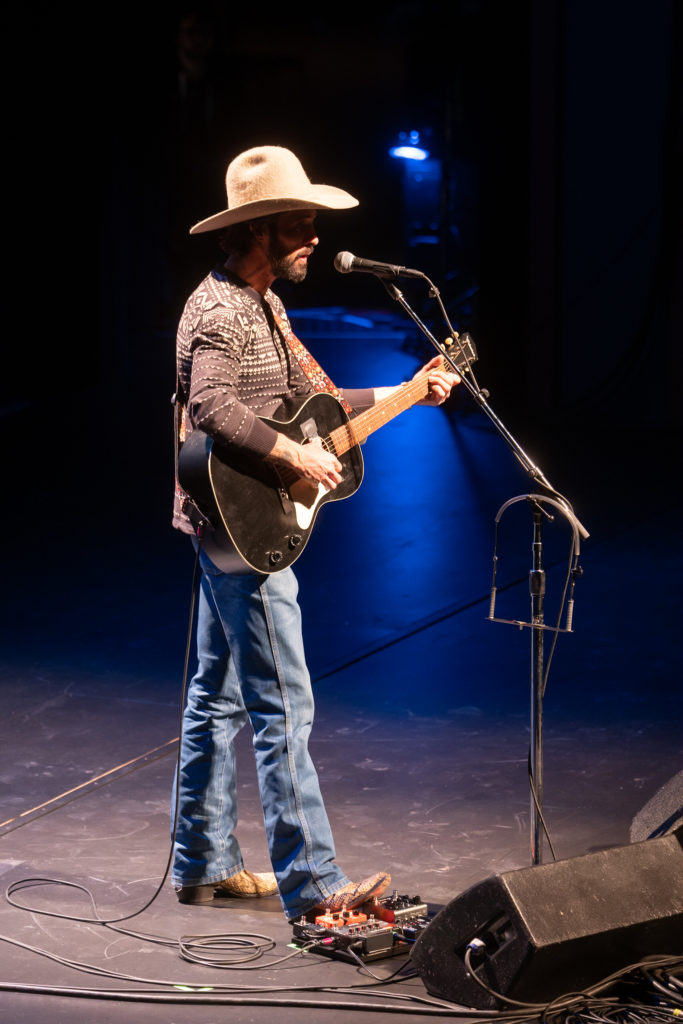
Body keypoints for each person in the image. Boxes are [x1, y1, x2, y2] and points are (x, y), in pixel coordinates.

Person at [171, 145, 458, 921]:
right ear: (261, 228)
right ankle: (315, 886)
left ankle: (202, 863)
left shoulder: (265, 302)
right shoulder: (219, 309)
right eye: (300, 223)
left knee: (216, 698)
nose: (311, 237)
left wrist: (410, 391)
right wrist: (292, 452)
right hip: (243, 528)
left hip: (225, 522)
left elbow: (322, 399)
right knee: (284, 708)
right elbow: (211, 408)